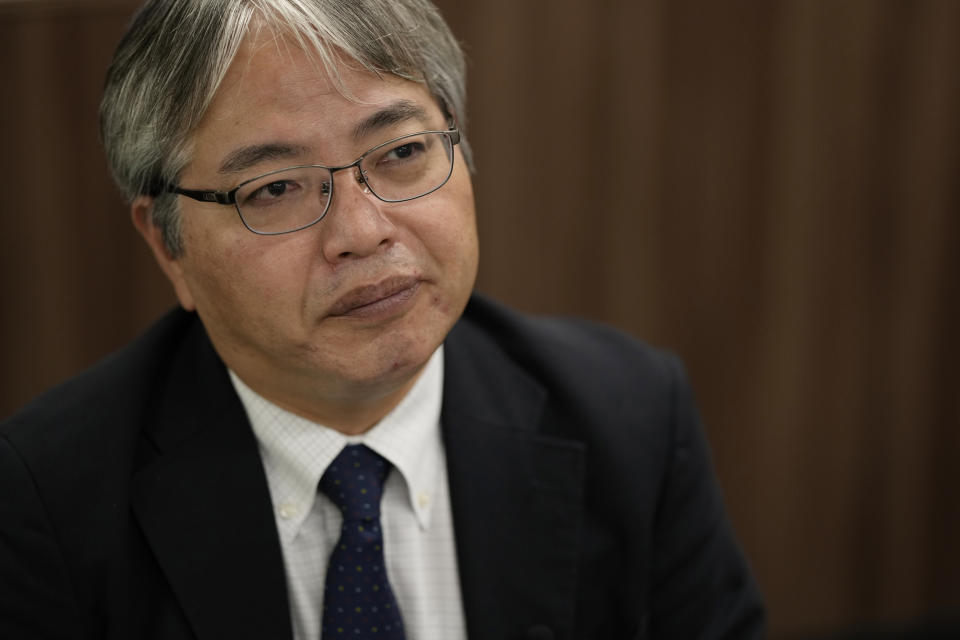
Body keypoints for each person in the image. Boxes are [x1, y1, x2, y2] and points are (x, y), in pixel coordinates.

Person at [0, 1, 765, 638]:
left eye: (401, 151)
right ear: (167, 245)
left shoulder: (629, 417)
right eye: (274, 190)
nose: (362, 233)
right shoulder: (44, 503)